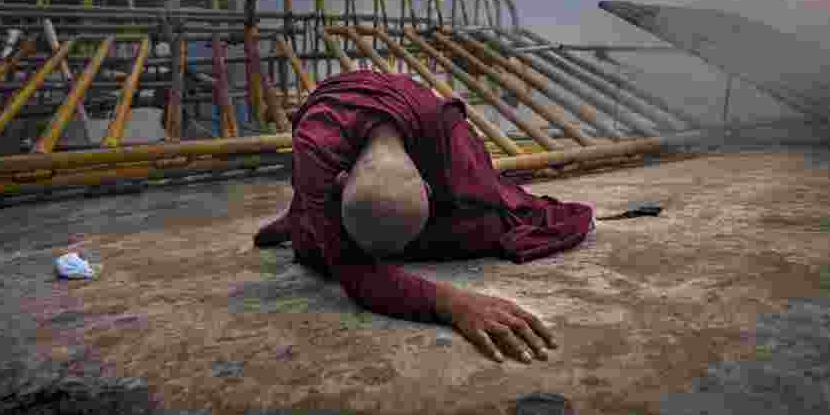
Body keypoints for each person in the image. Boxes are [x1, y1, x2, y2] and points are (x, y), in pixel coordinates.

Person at [254, 69, 596, 363]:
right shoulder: (316, 145)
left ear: (429, 189)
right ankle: (305, 215)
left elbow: (488, 191)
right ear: (340, 184)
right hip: (328, 183)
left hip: (393, 170)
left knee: (488, 223)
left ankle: (309, 218)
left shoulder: (446, 129)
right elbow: (355, 274)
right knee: (318, 252)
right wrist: (452, 304)